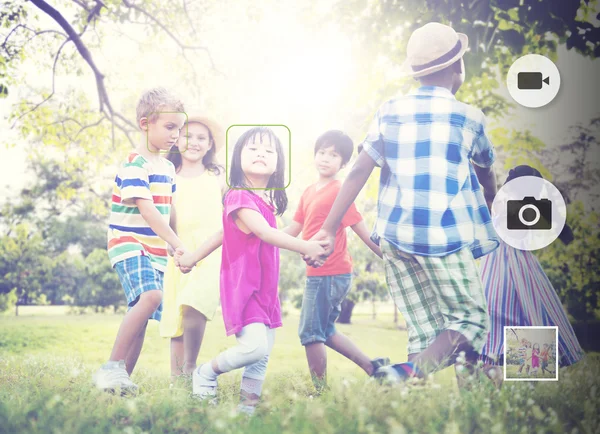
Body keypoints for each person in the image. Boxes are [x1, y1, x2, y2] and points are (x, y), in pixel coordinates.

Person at [304, 22, 499, 382]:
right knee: (470, 321)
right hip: (444, 237)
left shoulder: (390, 110)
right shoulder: (470, 118)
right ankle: (405, 374)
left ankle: (411, 402)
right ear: (458, 67)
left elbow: (360, 168)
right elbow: (486, 171)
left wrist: (328, 228)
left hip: (395, 238)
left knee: (423, 328)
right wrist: (492, 201)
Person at [176, 127, 328, 414]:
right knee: (254, 348)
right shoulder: (238, 196)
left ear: (278, 164)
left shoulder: (265, 202)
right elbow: (264, 233)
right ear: (237, 159)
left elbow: (266, 232)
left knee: (263, 352)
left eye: (269, 151)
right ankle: (205, 373)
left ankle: (248, 407)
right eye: (253, 148)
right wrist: (304, 247)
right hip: (243, 286)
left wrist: (312, 239)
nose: (261, 153)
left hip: (266, 289)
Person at [92, 88, 188, 393]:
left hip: (156, 250)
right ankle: (111, 367)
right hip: (129, 242)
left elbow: (167, 207)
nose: (176, 135)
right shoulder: (135, 165)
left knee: (143, 312)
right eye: (169, 127)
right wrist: (174, 241)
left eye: (179, 129)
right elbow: (147, 210)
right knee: (151, 298)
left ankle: (120, 381)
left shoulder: (169, 168)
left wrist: (175, 243)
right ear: (146, 123)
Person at [284, 130, 387, 391]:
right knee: (325, 330)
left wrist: (390, 258)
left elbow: (363, 231)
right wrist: (259, 237)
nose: (326, 159)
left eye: (334, 155)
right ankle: (373, 367)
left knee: (310, 333)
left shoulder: (341, 191)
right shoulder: (309, 192)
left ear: (343, 164)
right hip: (317, 273)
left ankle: (320, 393)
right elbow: (293, 231)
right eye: (322, 152)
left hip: (330, 272)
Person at [478, 165, 584, 381]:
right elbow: (563, 231)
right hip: (522, 271)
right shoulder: (531, 210)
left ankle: (495, 381)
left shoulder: (499, 206)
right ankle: (527, 389)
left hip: (493, 271)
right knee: (530, 317)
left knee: (492, 328)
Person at [161, 115, 226, 381]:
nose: (194, 143)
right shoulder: (167, 174)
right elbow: (166, 214)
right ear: (177, 140)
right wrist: (170, 242)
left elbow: (233, 212)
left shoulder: (217, 175)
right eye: (188, 136)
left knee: (193, 304)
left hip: (211, 252)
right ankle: (178, 379)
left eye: (201, 138)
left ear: (210, 144)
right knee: (177, 319)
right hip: (178, 250)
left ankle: (190, 365)